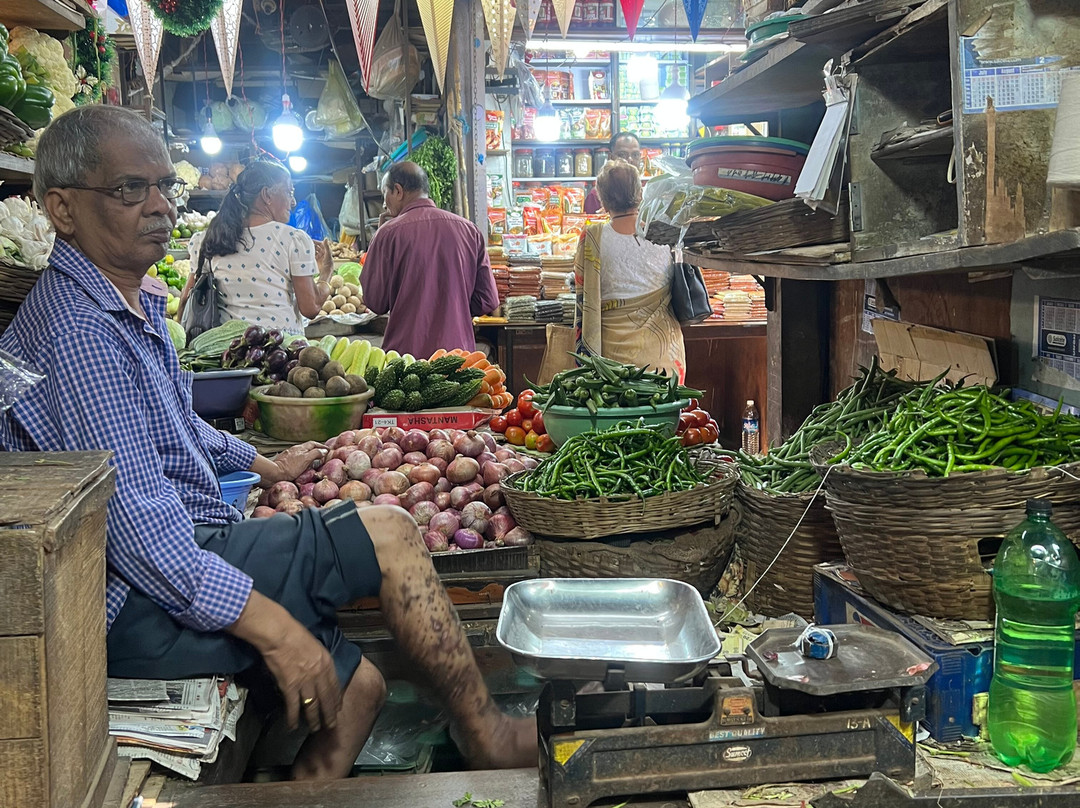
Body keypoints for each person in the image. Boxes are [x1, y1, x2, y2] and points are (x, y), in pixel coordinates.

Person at [0, 105, 535, 780]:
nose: (161, 206)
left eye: (168, 186)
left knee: (359, 691)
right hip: (129, 600)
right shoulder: (81, 332)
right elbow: (140, 534)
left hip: (171, 557)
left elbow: (175, 427)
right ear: (62, 208)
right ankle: (484, 733)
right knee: (393, 532)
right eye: (131, 190)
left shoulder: (123, 304)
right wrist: (276, 630)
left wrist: (265, 462)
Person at [177, 160, 334, 335]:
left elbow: (185, 299)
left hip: (228, 352)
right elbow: (310, 308)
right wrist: (326, 273)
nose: (293, 202)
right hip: (281, 352)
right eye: (289, 192)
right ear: (266, 195)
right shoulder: (293, 240)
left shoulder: (208, 238)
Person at [361, 162, 499, 359]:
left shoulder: (388, 233)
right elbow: (488, 300)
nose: (384, 203)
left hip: (406, 359)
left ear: (398, 191)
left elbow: (375, 301)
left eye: (385, 193)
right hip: (459, 357)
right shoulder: (469, 230)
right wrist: (453, 309)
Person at [574, 158, 686, 381]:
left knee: (613, 415)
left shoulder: (592, 239)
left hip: (609, 363)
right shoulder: (666, 234)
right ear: (640, 193)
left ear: (602, 199)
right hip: (663, 356)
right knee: (663, 414)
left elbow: (581, 294)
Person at [584, 132, 642, 216]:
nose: (630, 160)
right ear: (611, 157)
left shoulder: (648, 193)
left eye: (635, 155)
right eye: (622, 155)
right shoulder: (596, 195)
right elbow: (588, 224)